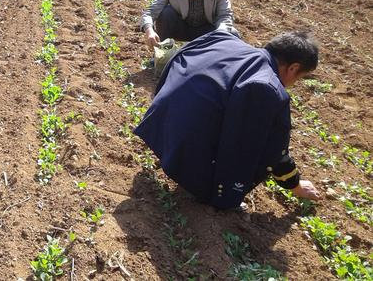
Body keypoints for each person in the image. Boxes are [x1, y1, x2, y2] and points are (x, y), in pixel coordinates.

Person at [134, 30, 321, 210]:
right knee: (248, 146)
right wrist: (295, 185)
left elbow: (176, 59)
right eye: (300, 77)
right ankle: (214, 195)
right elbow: (272, 148)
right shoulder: (265, 87)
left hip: (157, 126)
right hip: (183, 154)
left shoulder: (221, 38)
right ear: (293, 68)